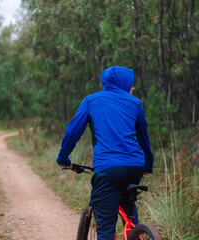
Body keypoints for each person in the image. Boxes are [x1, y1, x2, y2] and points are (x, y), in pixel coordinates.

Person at [57, 66, 154, 240]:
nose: (132, 88)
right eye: (130, 84)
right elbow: (143, 138)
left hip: (108, 169)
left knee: (106, 230)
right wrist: (147, 165)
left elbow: (72, 132)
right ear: (123, 83)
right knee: (128, 205)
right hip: (135, 166)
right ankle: (135, 232)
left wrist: (63, 158)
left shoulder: (90, 101)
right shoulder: (135, 103)